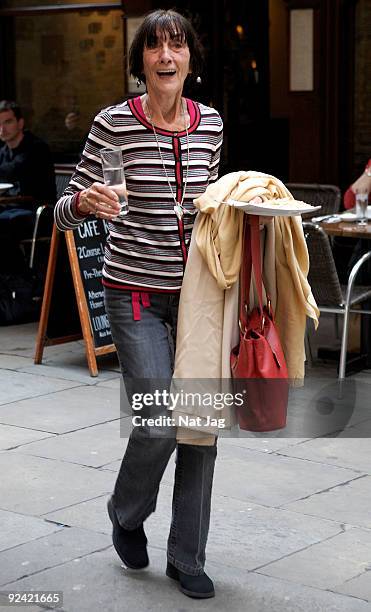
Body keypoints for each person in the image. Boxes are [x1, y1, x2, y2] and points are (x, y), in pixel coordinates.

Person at [55, 9, 264, 599]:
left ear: (190, 59)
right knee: (160, 420)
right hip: (135, 294)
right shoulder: (112, 124)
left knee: (200, 425)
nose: (166, 56)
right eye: (154, 48)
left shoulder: (211, 124)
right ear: (141, 62)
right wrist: (86, 205)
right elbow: (63, 210)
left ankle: (186, 557)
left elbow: (216, 205)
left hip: (201, 295)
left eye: (176, 46)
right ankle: (126, 511)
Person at [0, 100, 56, 271]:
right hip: (9, 208)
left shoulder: (36, 149)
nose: (2, 128)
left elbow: (33, 188)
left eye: (8, 122)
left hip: (36, 211)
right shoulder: (2, 153)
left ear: (20, 123)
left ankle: (18, 279)